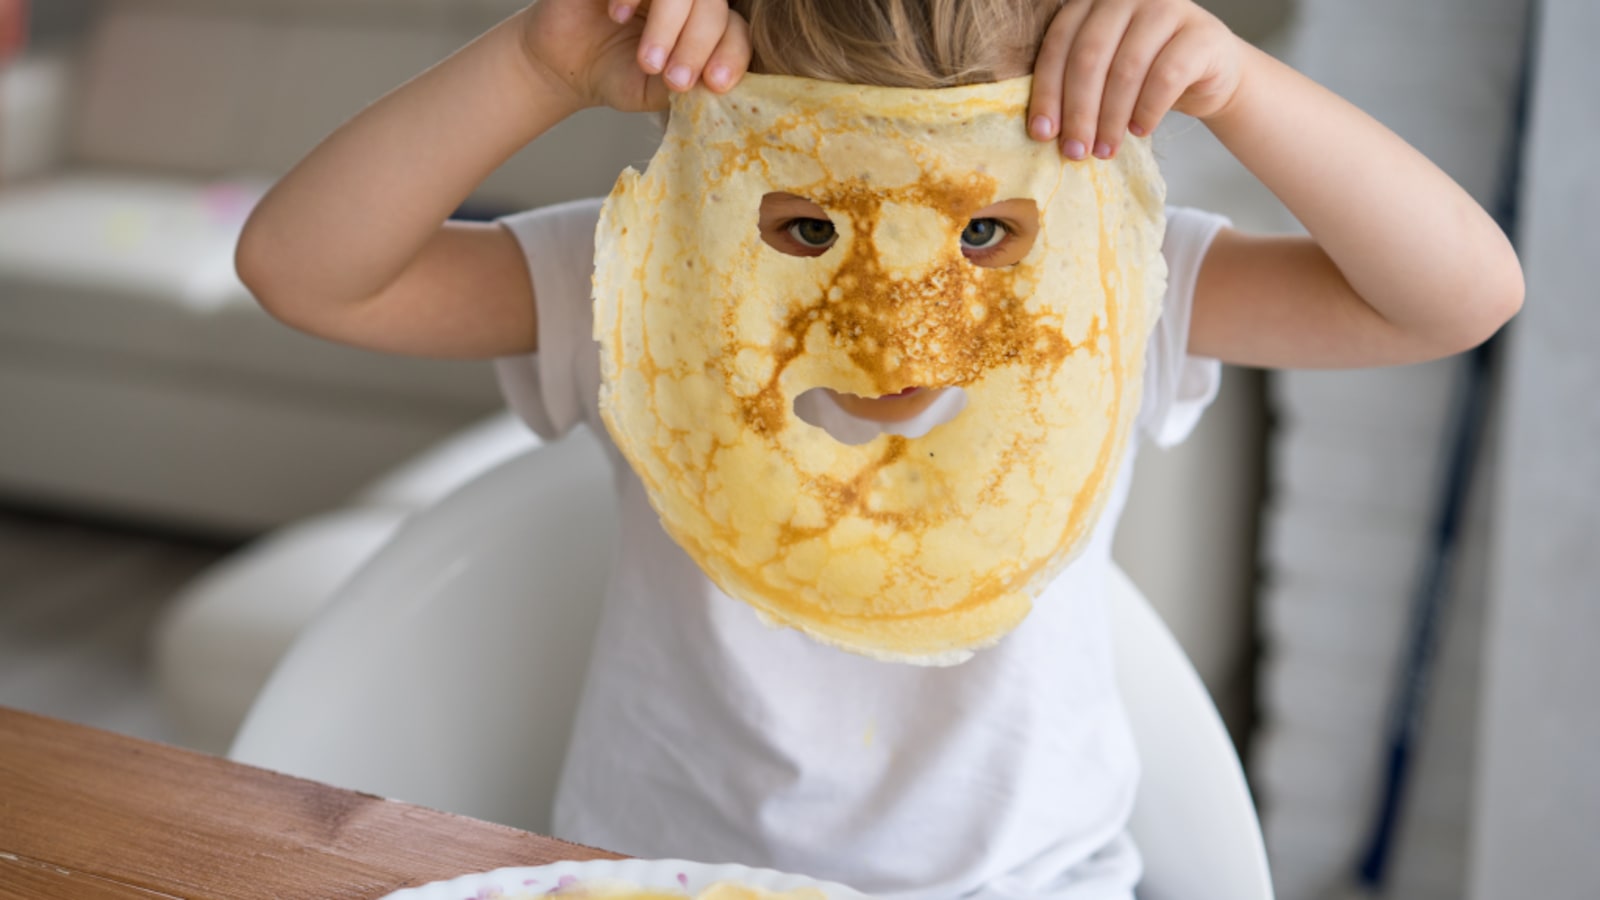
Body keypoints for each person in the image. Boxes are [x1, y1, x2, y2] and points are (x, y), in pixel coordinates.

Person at [235, 1, 1523, 897]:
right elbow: (304, 273)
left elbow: (1457, 297)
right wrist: (534, 62)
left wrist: (1238, 84)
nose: (904, 339)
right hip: (670, 877)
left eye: (981, 235)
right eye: (804, 230)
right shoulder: (635, 283)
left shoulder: (1124, 286)